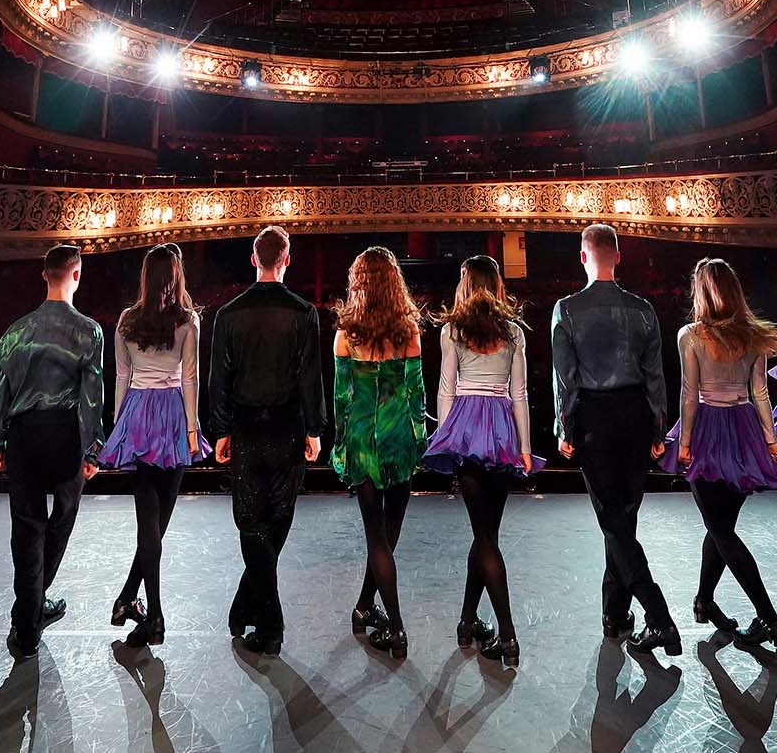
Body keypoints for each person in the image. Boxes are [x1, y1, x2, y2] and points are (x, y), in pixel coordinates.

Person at [551, 222, 680, 656]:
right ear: (618, 257)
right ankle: (615, 614)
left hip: (594, 417)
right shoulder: (643, 310)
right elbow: (655, 376)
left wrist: (565, 427)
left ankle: (658, 616)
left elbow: (566, 380)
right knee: (623, 518)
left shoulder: (567, 310)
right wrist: (658, 427)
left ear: (583, 257)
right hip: (636, 415)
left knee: (613, 519)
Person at [207, 225, 325, 659]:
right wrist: (314, 430)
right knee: (274, 520)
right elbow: (310, 378)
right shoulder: (303, 312)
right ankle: (270, 626)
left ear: (254, 259)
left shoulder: (229, 314)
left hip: (246, 428)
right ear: (287, 259)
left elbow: (219, 379)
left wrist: (221, 430)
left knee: (253, 522)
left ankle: (245, 604)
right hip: (287, 427)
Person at [0, 243, 106, 659]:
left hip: (23, 435)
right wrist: (92, 449)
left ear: (44, 276)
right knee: (62, 518)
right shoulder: (88, 331)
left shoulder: (16, 332)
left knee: (26, 526)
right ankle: (33, 608)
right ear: (77, 275)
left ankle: (27, 620)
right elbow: (92, 396)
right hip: (66, 434)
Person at [661, 258, 777, 648]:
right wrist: (769, 441)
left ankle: (769, 618)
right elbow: (760, 393)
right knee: (720, 526)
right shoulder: (753, 335)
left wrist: (684, 443)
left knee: (721, 530)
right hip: (743, 428)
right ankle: (704, 601)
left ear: (700, 292)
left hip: (708, 429)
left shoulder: (691, 335)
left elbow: (689, 393)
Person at [423, 254, 539, 666]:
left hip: (467, 428)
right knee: (486, 533)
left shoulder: (452, 331)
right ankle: (468, 620)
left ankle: (508, 634)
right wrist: (524, 447)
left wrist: (443, 437)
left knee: (485, 536)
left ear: (466, 284)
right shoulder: (513, 332)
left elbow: (446, 390)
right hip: (502, 428)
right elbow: (520, 394)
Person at [96, 243, 206, 649]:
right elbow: (190, 378)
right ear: (176, 277)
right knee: (156, 525)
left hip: (140, 415)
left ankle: (130, 599)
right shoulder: (188, 321)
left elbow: (121, 377)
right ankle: (154, 615)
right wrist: (192, 429)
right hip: (173, 415)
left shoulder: (128, 320)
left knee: (150, 526)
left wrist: (118, 425)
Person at [330, 247, 428, 660]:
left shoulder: (346, 333)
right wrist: (420, 438)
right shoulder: (408, 331)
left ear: (358, 284)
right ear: (393, 284)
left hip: (361, 439)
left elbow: (342, 398)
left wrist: (340, 445)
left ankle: (381, 617)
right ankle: (380, 616)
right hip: (397, 435)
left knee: (377, 536)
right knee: (388, 534)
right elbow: (416, 393)